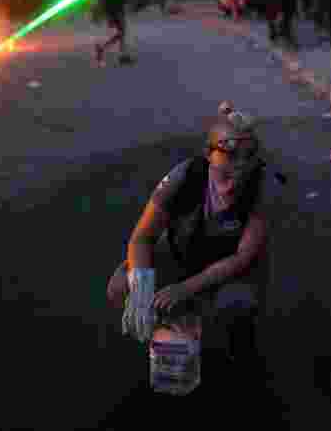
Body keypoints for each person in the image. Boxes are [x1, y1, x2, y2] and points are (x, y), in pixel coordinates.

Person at [107, 102, 276, 368]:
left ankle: (239, 360)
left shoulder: (262, 186)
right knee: (121, 287)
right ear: (209, 154)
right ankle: (168, 337)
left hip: (229, 268)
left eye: (248, 156)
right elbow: (143, 236)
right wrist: (141, 285)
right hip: (181, 252)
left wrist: (187, 289)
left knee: (237, 307)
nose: (240, 167)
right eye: (230, 156)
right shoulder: (184, 176)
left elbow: (243, 257)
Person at [93, 0, 133, 67]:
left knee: (121, 32)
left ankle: (120, 54)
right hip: (114, 7)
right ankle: (108, 49)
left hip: (113, 7)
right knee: (121, 32)